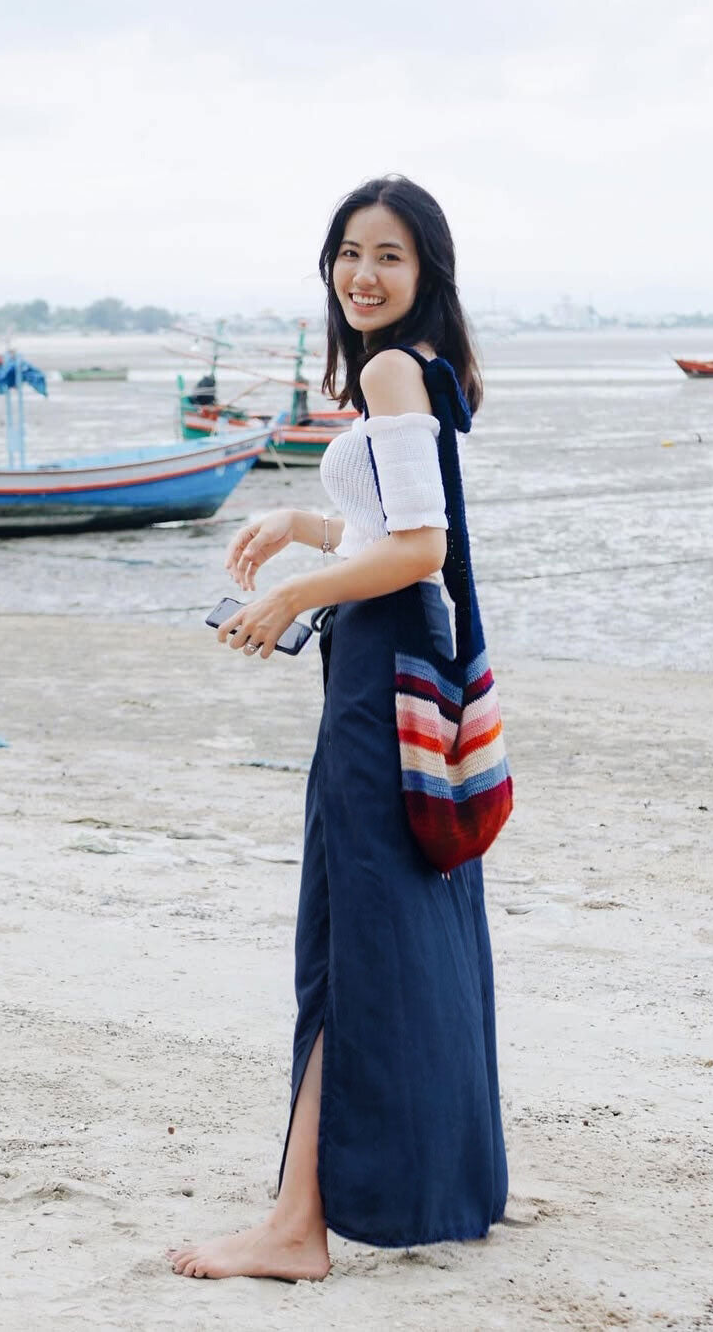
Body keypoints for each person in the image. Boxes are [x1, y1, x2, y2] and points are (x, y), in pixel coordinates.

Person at [169, 175, 508, 1282]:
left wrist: (294, 593)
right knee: (403, 929)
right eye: (348, 252)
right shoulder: (420, 372)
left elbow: (419, 544)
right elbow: (388, 520)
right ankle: (445, 1178)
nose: (362, 273)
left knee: (351, 937)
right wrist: (298, 520)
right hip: (404, 660)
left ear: (426, 274)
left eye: (390, 256)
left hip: (379, 672)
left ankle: (295, 1224)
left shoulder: (391, 367)